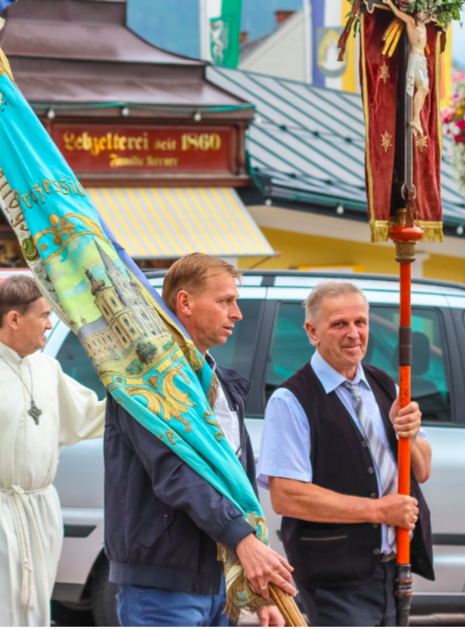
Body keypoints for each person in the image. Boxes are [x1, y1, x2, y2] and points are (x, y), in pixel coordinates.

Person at [104, 253, 294, 627]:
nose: (237, 313)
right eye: (225, 301)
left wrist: (258, 590)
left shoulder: (222, 383)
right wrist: (241, 538)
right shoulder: (145, 381)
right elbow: (175, 472)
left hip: (218, 579)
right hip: (163, 580)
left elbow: (238, 486)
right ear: (185, 302)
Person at [257, 281, 434, 627]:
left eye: (361, 322)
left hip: (394, 566)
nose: (354, 333)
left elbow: (422, 471)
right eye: (339, 324)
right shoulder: (291, 399)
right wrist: (380, 510)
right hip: (334, 574)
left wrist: (409, 435)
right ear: (312, 331)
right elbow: (287, 497)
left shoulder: (387, 384)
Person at [0, 275, 107, 627]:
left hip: (40, 508)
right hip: (3, 510)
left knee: (34, 607)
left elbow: (89, 414)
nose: (50, 324)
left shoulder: (48, 368)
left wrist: (143, 396)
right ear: (14, 319)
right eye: (44, 315)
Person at [383, 0, 432, 136]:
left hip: (422, 59)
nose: (423, 14)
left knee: (425, 89)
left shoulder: (424, 22)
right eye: (421, 11)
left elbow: (435, 14)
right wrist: (390, 3)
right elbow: (398, 13)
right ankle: (415, 119)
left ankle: (416, 119)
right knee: (422, 88)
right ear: (416, 11)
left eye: (424, 11)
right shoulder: (410, 21)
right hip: (415, 57)